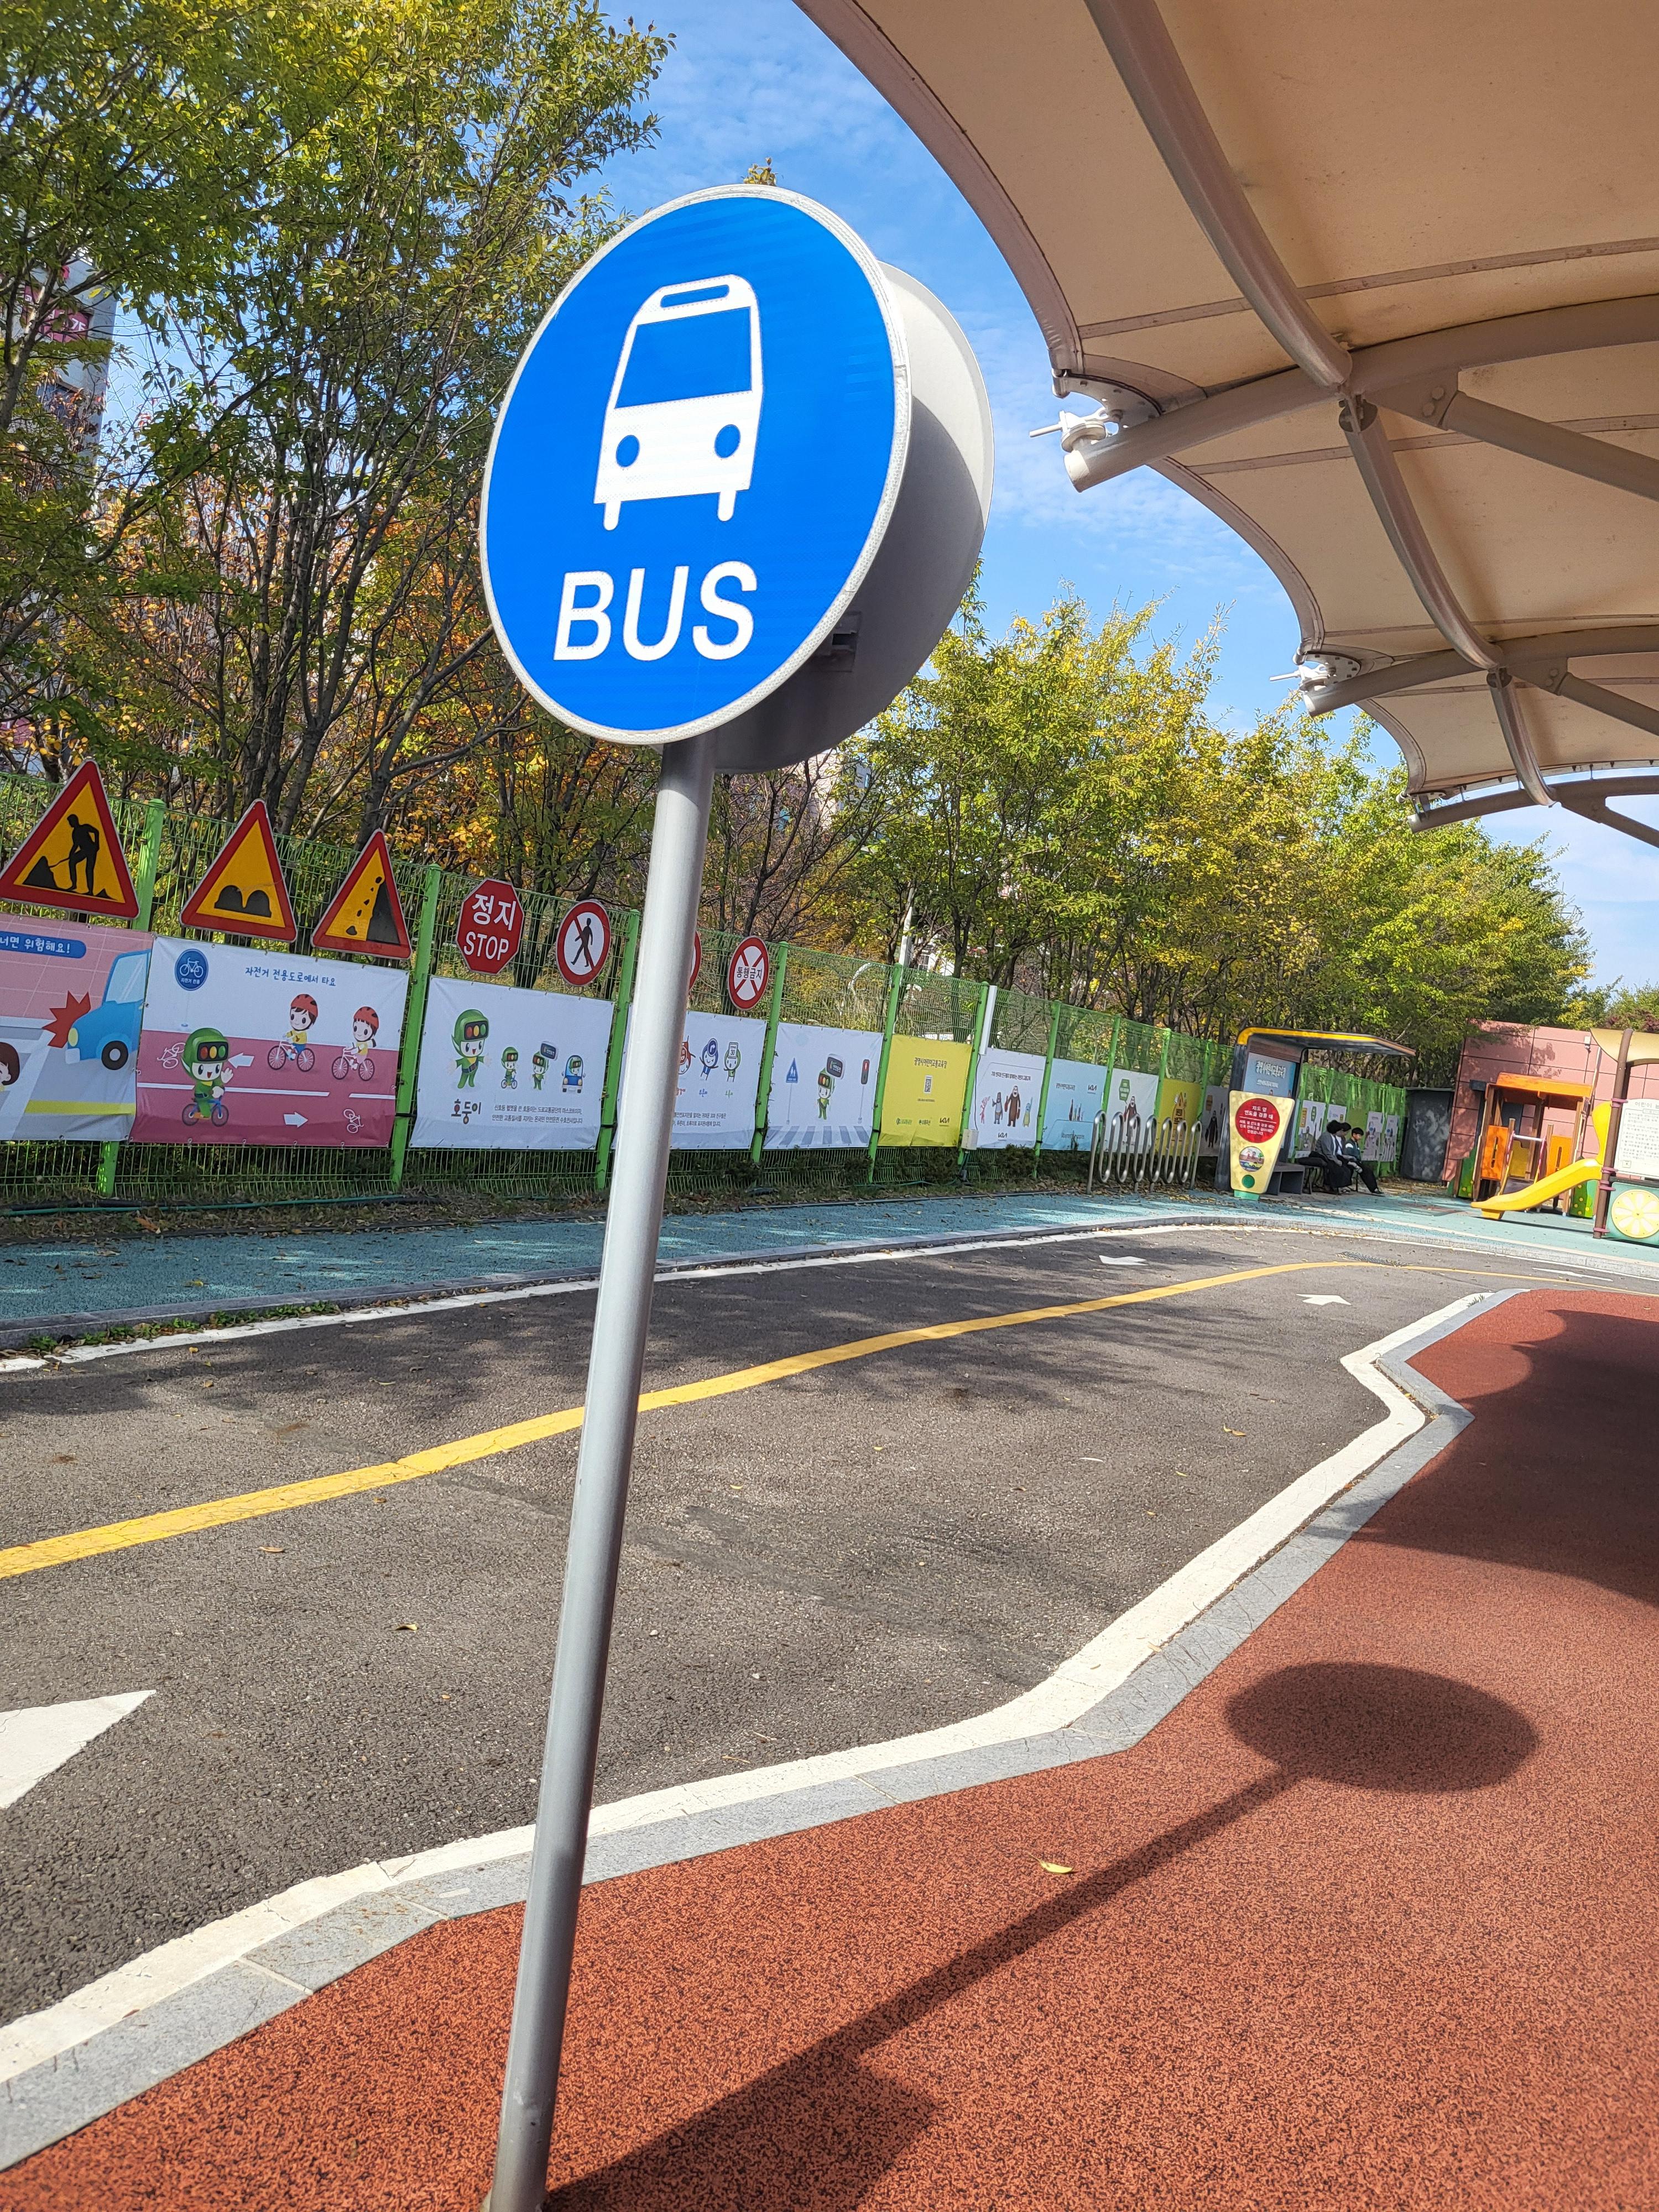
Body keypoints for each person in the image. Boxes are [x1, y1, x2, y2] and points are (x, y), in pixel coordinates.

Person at [1312, 1119, 1355, 1192]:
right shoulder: (1326, 1136)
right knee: (1335, 1168)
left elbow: (1333, 1152)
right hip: (1322, 1156)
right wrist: (1336, 1161)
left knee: (1345, 1169)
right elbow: (1327, 1152)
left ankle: (1340, 1186)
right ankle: (1331, 1186)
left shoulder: (1332, 1137)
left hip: (1329, 1157)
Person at [1341, 1120, 1381, 1194]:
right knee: (1366, 1171)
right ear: (1354, 1135)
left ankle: (1374, 1188)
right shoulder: (1349, 1144)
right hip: (1351, 1161)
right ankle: (1374, 1189)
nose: (1360, 1138)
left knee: (1368, 1171)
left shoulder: (1356, 1144)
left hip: (1357, 1162)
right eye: (1359, 1136)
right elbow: (1348, 1155)